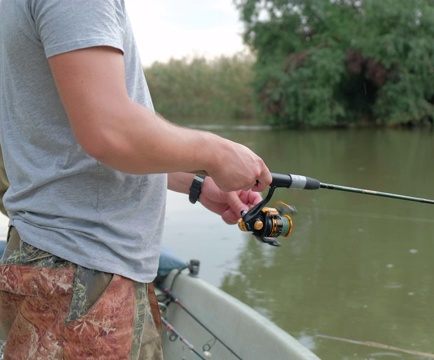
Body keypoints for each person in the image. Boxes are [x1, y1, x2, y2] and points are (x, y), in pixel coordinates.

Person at [0, 1, 272, 358]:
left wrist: (197, 184)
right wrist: (215, 152)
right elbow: (109, 131)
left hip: (63, 265)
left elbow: (62, 140)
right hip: (84, 275)